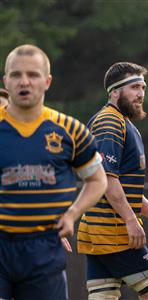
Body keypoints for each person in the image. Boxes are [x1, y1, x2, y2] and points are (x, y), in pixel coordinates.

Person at [0, 44, 107, 300]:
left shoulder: (70, 130)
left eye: (33, 75)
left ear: (47, 81)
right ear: (6, 80)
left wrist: (73, 213)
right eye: (16, 75)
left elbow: (97, 180)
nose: (24, 81)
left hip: (45, 249)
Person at [77, 62, 148, 300]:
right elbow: (106, 179)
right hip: (114, 233)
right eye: (134, 87)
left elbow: (126, 188)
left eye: (143, 87)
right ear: (115, 92)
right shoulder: (109, 122)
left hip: (98, 233)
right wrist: (131, 220)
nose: (141, 94)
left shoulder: (121, 122)